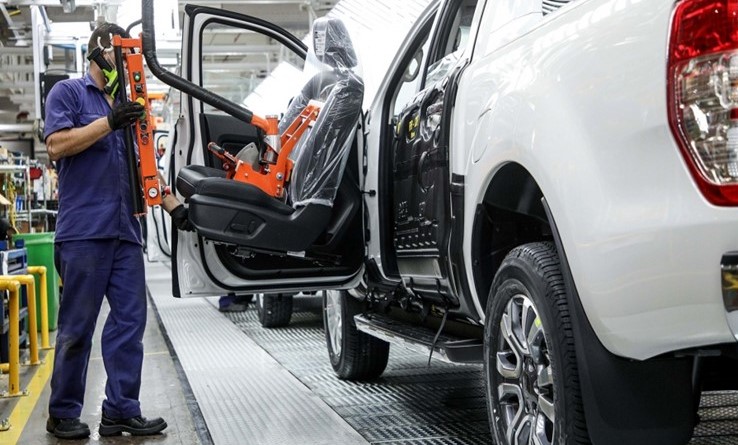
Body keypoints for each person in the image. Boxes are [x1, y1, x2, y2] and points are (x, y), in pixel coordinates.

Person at [43, 23, 188, 440]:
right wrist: (108, 122)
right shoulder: (69, 93)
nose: (124, 68)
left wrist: (174, 207)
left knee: (129, 323)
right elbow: (56, 145)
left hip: (126, 232)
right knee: (77, 327)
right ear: (100, 54)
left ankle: (121, 410)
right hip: (84, 232)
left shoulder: (129, 105)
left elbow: (146, 165)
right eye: (119, 58)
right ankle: (63, 412)